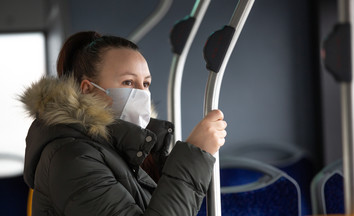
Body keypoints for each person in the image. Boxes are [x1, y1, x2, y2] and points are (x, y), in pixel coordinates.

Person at [19, 31, 227, 216]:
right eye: (128, 82)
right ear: (88, 89)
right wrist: (195, 155)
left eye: (146, 83)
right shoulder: (71, 157)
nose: (142, 93)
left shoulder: (125, 148)